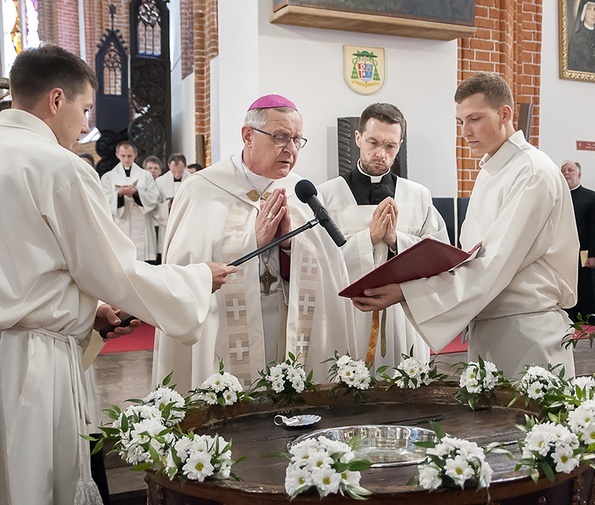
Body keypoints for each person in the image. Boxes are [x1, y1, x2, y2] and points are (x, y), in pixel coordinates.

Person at [0, 45, 234, 505]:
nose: (87, 125)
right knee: (33, 482)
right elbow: (115, 270)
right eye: (85, 109)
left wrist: (88, 313)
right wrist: (196, 279)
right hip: (31, 364)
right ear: (55, 100)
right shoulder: (56, 166)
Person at [352, 73, 578, 379]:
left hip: (526, 330)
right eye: (460, 121)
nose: (465, 131)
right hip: (490, 323)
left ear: (505, 114)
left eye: (475, 119)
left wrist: (409, 292)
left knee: (532, 426)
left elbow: (493, 263)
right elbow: (471, 255)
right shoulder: (493, 170)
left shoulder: (532, 172)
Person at [152, 94, 357, 391]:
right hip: (223, 329)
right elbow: (186, 268)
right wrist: (253, 241)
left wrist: (289, 245)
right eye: (280, 137)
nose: (291, 149)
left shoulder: (301, 193)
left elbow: (327, 266)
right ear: (248, 135)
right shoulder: (201, 190)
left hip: (287, 325)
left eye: (298, 139)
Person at [318, 103, 448, 367]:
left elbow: (439, 256)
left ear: (400, 144)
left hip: (403, 314)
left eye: (390, 146)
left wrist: (396, 240)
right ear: (358, 138)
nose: (380, 153)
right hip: (347, 314)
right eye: (373, 142)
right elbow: (317, 260)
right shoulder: (326, 195)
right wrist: (368, 238)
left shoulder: (418, 195)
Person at [560, 161, 595, 323]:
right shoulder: (557, 197)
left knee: (586, 289)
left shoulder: (592, 198)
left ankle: (589, 323)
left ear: (579, 174)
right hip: (562, 253)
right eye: (563, 170)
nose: (566, 173)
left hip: (585, 253)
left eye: (570, 170)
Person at [100, 141, 161, 262]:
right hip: (120, 221)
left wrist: (137, 193)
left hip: (141, 221)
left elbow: (153, 197)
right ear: (117, 155)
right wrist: (118, 194)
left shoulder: (145, 175)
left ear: (135, 155)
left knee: (143, 260)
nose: (126, 159)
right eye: (123, 156)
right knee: (122, 258)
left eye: (129, 156)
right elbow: (103, 199)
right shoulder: (108, 177)